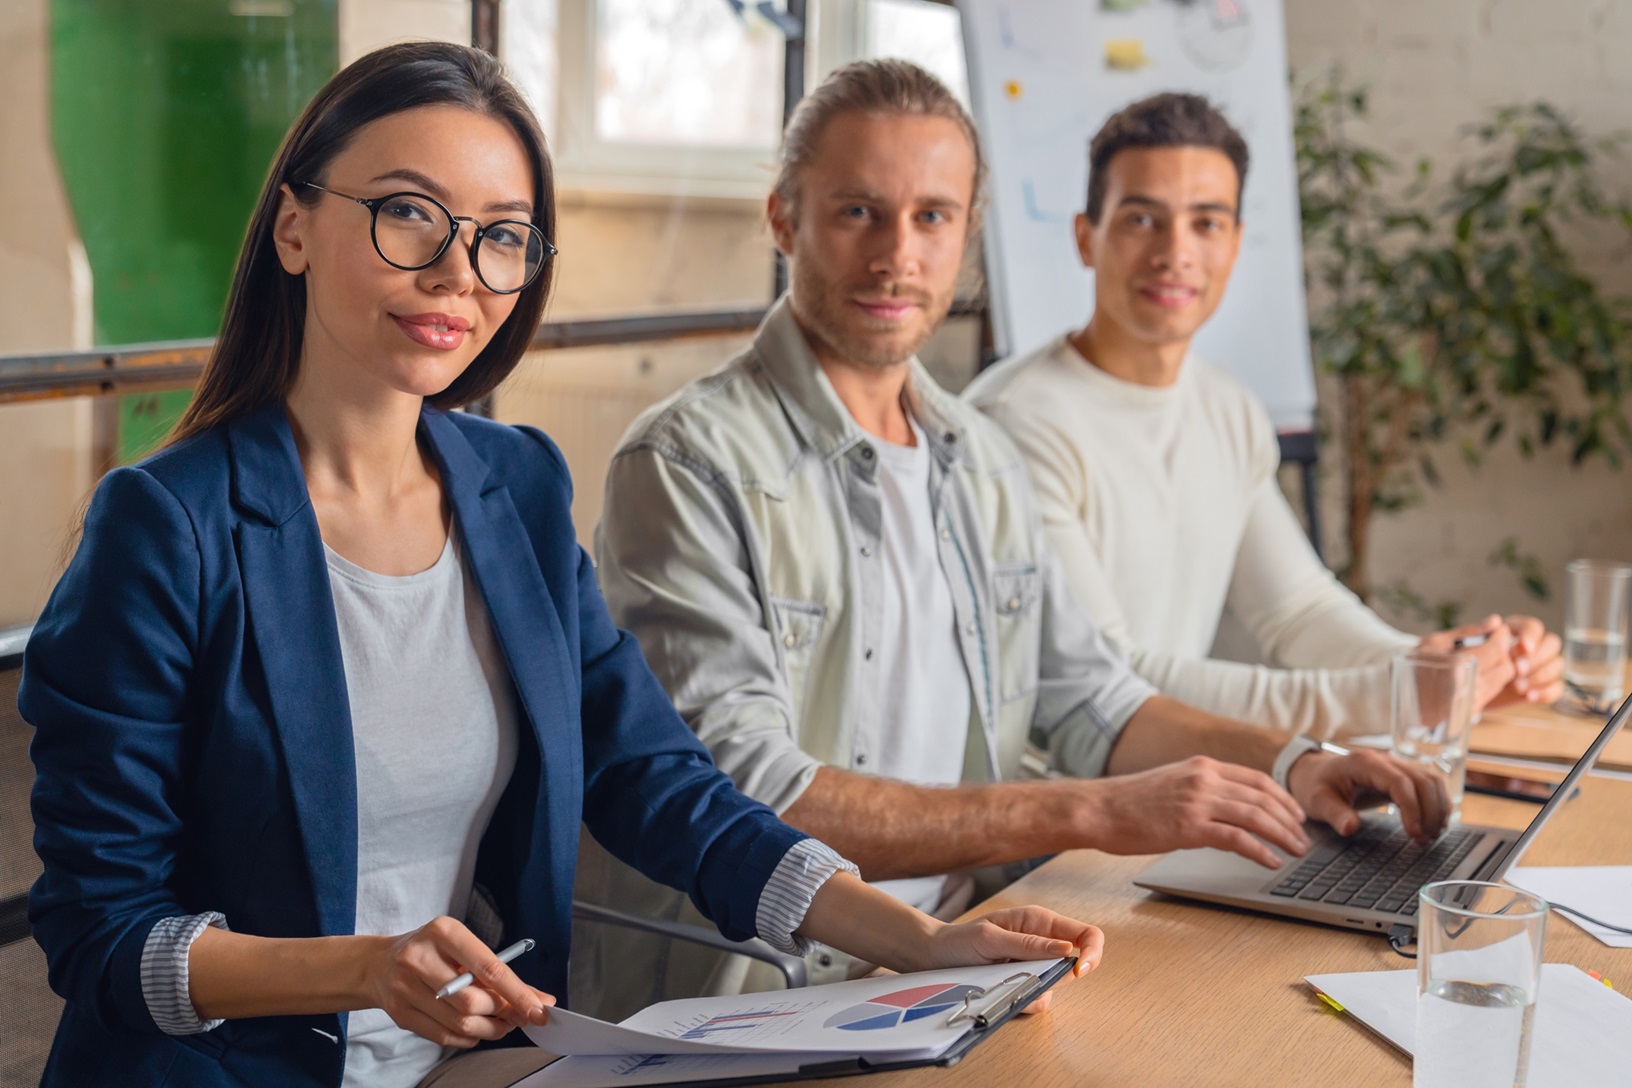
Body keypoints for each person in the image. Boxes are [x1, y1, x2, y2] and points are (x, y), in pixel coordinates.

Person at [19, 43, 1107, 1088]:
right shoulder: (165, 525)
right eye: (407, 212)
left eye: (502, 234)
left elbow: (656, 778)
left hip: (480, 1064)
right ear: (294, 226)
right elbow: (99, 928)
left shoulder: (517, 487)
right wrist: (359, 967)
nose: (456, 270)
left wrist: (918, 938)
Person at [578, 59, 1448, 1020]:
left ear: (968, 239)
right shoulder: (686, 461)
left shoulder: (977, 456)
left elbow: (1091, 693)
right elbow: (753, 795)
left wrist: (1296, 762)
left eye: (933, 217)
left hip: (973, 955)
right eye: (858, 211)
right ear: (784, 219)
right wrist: (1091, 810)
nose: (897, 255)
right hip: (773, 986)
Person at [967, 92, 1565, 740]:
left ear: (1235, 243)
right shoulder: (1016, 422)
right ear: (1087, 237)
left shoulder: (1227, 408)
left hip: (1165, 794)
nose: (1176, 252)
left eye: (1206, 222)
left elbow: (1299, 611)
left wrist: (1442, 664)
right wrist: (1404, 696)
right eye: (1142, 219)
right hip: (1055, 817)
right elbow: (1109, 679)